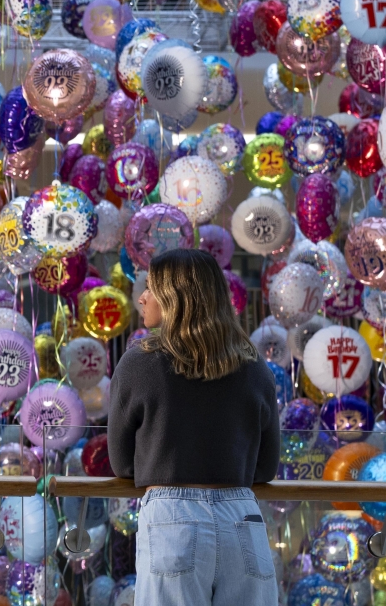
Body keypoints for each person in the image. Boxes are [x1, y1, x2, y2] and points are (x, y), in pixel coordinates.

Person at [107, 248, 281, 606]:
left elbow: (121, 463)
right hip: (242, 515)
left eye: (151, 288)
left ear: (176, 298)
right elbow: (265, 467)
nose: (142, 296)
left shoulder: (140, 363)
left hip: (172, 515)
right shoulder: (253, 366)